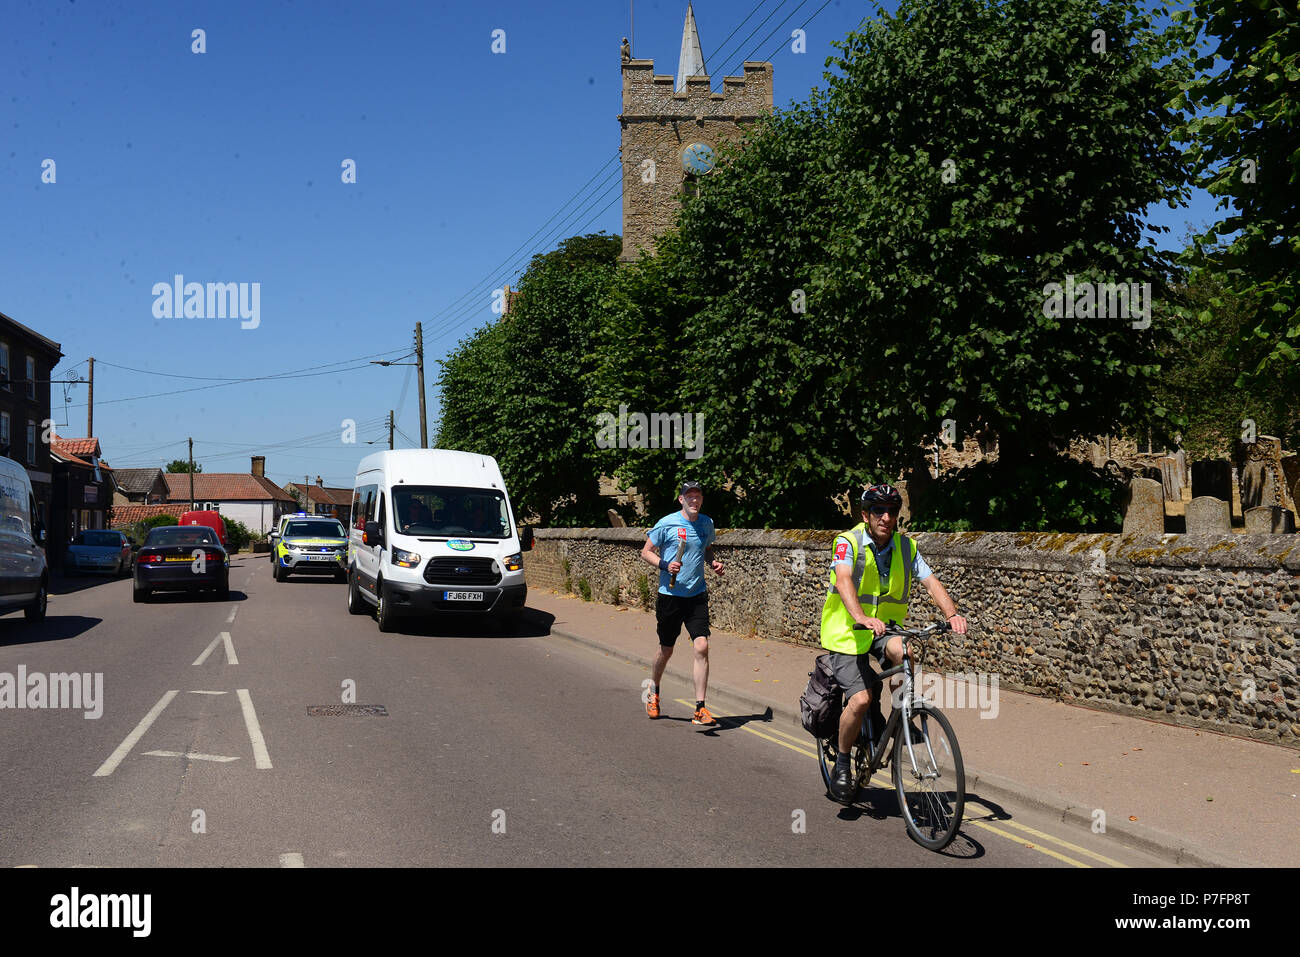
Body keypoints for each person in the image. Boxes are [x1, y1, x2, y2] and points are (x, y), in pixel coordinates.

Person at [821, 484, 968, 804]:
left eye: (891, 511)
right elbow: (844, 579)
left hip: (884, 628)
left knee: (906, 652)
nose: (886, 517)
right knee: (860, 701)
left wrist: (952, 614)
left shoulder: (906, 547)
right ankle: (843, 765)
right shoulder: (848, 543)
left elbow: (931, 582)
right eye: (878, 511)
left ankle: (902, 717)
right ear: (865, 515)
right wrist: (860, 616)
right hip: (847, 630)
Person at [639, 480, 724, 728]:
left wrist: (713, 563)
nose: (694, 501)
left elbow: (707, 550)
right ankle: (653, 691)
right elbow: (646, 551)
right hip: (670, 596)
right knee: (666, 649)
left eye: (698, 496)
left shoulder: (706, 523)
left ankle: (700, 708)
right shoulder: (667, 523)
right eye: (690, 497)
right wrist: (665, 565)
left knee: (702, 647)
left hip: (696, 595)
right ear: (681, 500)